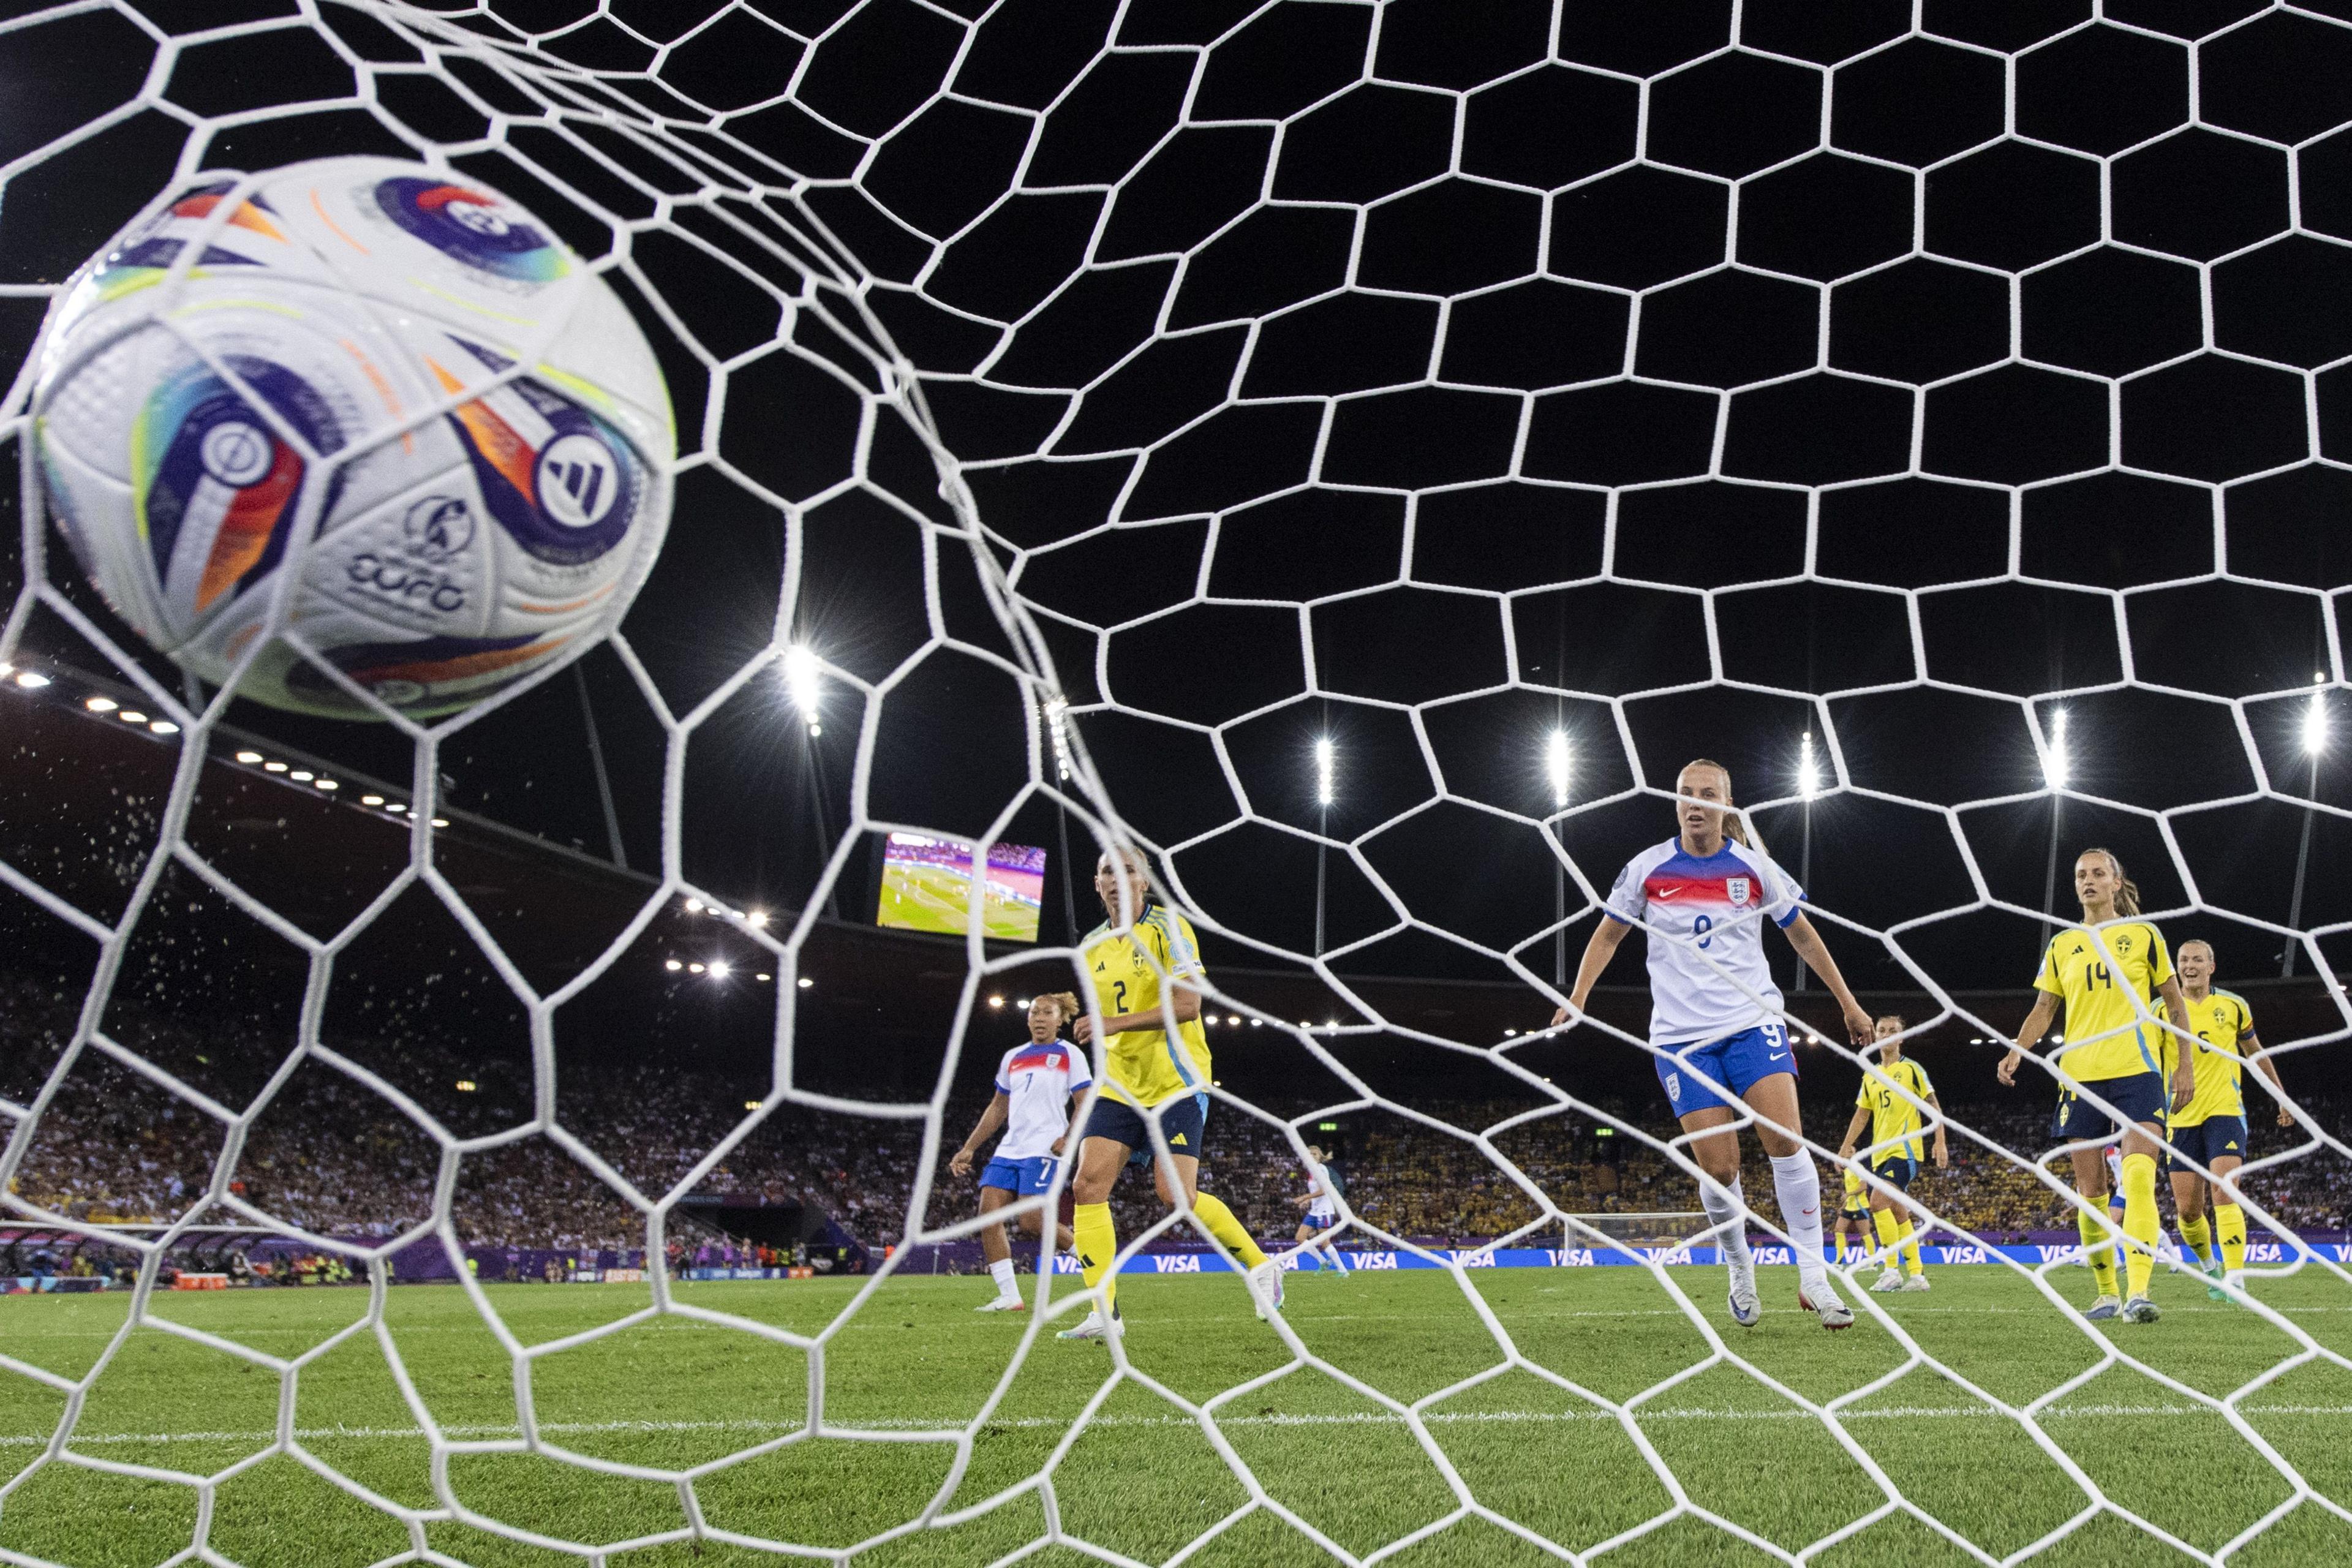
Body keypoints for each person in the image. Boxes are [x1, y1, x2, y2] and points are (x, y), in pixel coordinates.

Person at [1553, 758, 1876, 1330]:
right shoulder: (1647, 869)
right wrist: (1578, 997)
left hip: (1752, 1021)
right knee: (1722, 1169)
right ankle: (1739, 1270)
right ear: (1674, 802)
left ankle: (1814, 1277)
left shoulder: (1755, 867)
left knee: (1785, 1139)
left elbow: (1801, 933)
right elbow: (1608, 934)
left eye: (1708, 794)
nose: (1695, 803)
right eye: (1685, 794)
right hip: (1681, 1040)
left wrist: (1848, 1004)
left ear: (1728, 806)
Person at [1059, 847, 1283, 1342]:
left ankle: (1261, 1267)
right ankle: (1103, 1312)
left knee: (1176, 1196)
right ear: (1097, 886)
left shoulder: (1169, 930)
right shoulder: (1091, 945)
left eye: (1128, 871)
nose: (1116, 879)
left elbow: (1188, 1004)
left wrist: (1112, 1023)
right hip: (1120, 1085)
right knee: (1086, 1186)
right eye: (1105, 873)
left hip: (1175, 1081)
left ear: (1145, 882)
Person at [1998, 848, 2195, 1324]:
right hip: (2081, 1073)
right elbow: (2044, 1009)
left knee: (2141, 1177)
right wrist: (2016, 1050)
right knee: (2092, 1190)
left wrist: (2184, 1063)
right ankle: (2106, 1293)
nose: (2088, 881)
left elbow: (2174, 1002)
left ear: (2115, 882)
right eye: (2081, 875)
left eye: (2098, 874)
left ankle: (2140, 1292)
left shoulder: (2145, 934)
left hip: (2138, 1069)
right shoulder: (2063, 944)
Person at [2165, 940, 2291, 1301]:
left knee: (2225, 1189)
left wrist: (2280, 1097)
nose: (2190, 966)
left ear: (2211, 967)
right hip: (2180, 1117)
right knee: (2188, 1211)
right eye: (2184, 960)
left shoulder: (2234, 1006)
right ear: (2176, 968)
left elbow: (2257, 1056)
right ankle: (2210, 1267)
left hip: (2225, 1110)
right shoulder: (2160, 1010)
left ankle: (2236, 1277)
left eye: (2197, 960)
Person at [949, 992, 1088, 1312]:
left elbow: (1085, 1102)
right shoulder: (1014, 1056)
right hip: (1011, 1147)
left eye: (1047, 1013)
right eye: (1035, 1012)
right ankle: (1010, 1296)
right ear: (1028, 1019)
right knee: (989, 1214)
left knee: (1032, 1223)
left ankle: (1091, 1259)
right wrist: (970, 1147)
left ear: (1060, 1019)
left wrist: (1070, 1137)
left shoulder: (1070, 1054)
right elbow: (998, 1108)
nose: (1040, 1018)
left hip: (1047, 1146)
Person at [1836, 1014, 1948, 1294]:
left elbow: (1933, 1105)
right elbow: (1862, 1114)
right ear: (1875, 1036)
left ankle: (1890, 1271)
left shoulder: (1911, 1069)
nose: (1887, 1034)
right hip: (1880, 1154)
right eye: (1882, 1030)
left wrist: (1940, 1140)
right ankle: (1917, 1276)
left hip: (1905, 1150)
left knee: (1877, 1203)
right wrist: (1844, 1146)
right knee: (1899, 1213)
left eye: (1893, 1031)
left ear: (1901, 1037)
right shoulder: (1870, 1074)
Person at [1290, 1145, 1350, 1274]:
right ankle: (1323, 1262)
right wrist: (1308, 1200)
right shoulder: (1312, 1171)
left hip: (1325, 1210)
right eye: (1310, 1154)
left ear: (1320, 1157)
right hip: (1315, 1210)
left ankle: (1343, 1270)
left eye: (1315, 1154)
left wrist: (1304, 1197)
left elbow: (1324, 1190)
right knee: (1300, 1238)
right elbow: (1317, 1191)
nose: (1312, 1156)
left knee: (1324, 1242)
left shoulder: (1321, 1169)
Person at [1833, 1167, 1874, 1267]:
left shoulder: (1859, 1168)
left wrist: (1848, 1194)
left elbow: (1863, 1187)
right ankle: (1838, 1262)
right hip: (1849, 1207)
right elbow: (1850, 1189)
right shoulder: (1847, 1171)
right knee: (1838, 1230)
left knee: (1865, 1234)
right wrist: (1843, 1206)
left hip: (1861, 1206)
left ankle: (1873, 1263)